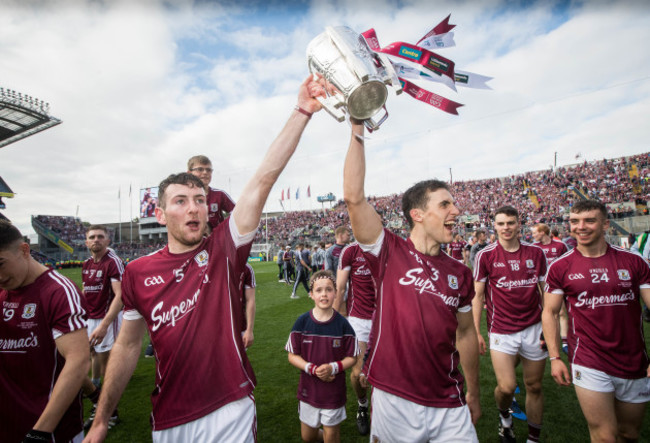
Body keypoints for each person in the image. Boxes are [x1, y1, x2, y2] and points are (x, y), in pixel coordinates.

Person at [84, 74, 325, 443]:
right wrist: (100, 420)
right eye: (181, 201)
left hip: (230, 408)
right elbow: (129, 344)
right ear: (161, 214)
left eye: (199, 199)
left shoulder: (223, 251)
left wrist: (302, 110)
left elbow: (262, 180)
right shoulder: (137, 272)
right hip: (168, 418)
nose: (194, 207)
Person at [343, 120, 480, 442]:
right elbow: (353, 197)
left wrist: (473, 391)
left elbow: (466, 332)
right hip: (395, 398)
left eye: (453, 203)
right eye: (445, 204)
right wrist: (357, 127)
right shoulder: (388, 251)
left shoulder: (460, 272)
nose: (456, 211)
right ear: (417, 214)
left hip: (450, 399)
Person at [542, 200, 650, 443]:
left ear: (605, 224)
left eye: (589, 220)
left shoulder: (634, 262)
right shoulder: (560, 267)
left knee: (629, 434)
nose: (581, 227)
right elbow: (549, 312)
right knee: (604, 437)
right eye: (574, 221)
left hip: (634, 360)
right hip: (589, 360)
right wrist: (555, 357)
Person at [0, 220, 89, 443]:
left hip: (51, 432)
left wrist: (40, 432)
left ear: (24, 250)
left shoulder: (58, 291)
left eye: (0, 264)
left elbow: (77, 361)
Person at [473, 206, 548, 443]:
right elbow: (478, 295)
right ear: (494, 226)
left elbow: (545, 291)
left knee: (534, 385)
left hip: (534, 328)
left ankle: (533, 439)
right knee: (506, 387)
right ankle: (505, 419)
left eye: (511, 223)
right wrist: (476, 331)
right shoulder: (485, 255)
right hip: (501, 330)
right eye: (501, 223)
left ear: (519, 225)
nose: (506, 228)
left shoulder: (536, 254)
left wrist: (551, 325)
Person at [285, 270, 358, 443]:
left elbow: (352, 357)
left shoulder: (344, 325)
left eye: (328, 289)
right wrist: (311, 368)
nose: (324, 294)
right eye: (318, 290)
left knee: (332, 436)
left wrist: (333, 367)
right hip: (308, 390)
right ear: (311, 295)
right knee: (308, 437)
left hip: (334, 392)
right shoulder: (301, 323)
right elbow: (292, 355)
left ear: (335, 293)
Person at [81, 225, 124, 430]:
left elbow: (120, 295)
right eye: (92, 237)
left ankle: (110, 414)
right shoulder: (86, 264)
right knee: (92, 355)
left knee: (109, 364)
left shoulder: (113, 262)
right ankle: (95, 388)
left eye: (100, 236)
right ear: (86, 242)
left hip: (108, 318)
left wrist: (105, 325)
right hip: (90, 318)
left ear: (108, 241)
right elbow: (85, 291)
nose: (96, 240)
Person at [334, 241, 376, 435]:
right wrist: (332, 322)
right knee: (358, 372)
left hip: (384, 316)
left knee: (385, 370)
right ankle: (362, 406)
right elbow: (340, 288)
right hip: (358, 319)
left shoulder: (388, 247)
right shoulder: (350, 250)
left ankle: (381, 410)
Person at [531, 222, 570, 352]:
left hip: (558, 283)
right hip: (542, 284)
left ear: (542, 232)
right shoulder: (534, 248)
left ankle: (564, 341)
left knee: (561, 311)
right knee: (545, 311)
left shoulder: (560, 245)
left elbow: (568, 263)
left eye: (535, 232)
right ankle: (545, 338)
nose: (533, 235)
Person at [187, 154, 236, 230]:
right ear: (189, 173)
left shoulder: (219, 195)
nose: (205, 172)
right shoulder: (183, 196)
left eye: (208, 170)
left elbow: (238, 214)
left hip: (217, 240)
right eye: (200, 169)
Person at [240, 263, 256, 349]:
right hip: (213, 326)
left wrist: (249, 330)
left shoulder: (246, 268)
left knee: (237, 361)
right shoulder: (211, 264)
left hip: (239, 326)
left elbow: (250, 300)